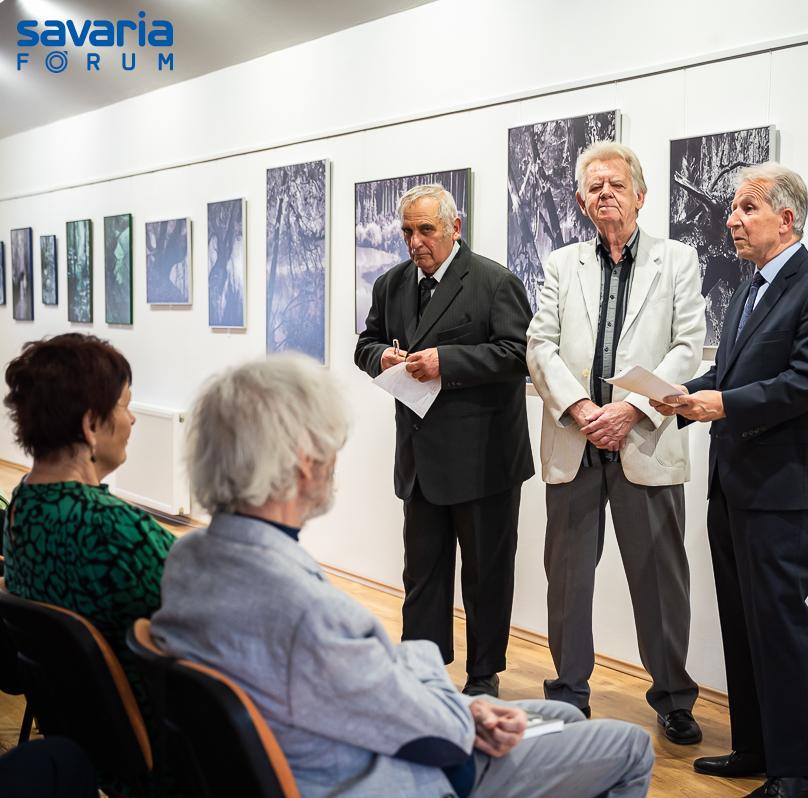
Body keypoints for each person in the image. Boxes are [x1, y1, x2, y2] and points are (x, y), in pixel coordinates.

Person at [151, 355, 655, 798]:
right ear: (304, 464)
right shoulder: (304, 609)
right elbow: (436, 734)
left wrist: (456, 707)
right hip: (390, 773)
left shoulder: (190, 558)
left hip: (319, 747)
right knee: (631, 746)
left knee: (561, 716)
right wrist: (453, 700)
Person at [653, 163, 808, 798]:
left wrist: (723, 405)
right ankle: (757, 748)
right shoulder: (748, 290)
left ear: (786, 218)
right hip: (736, 483)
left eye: (746, 209)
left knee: (780, 625)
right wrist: (683, 393)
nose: (732, 220)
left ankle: (800, 774)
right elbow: (732, 374)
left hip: (787, 488)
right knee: (741, 621)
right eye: (733, 209)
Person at [526, 141, 706, 741]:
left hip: (644, 440)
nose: (605, 194)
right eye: (594, 187)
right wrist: (581, 409)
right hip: (575, 441)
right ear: (582, 201)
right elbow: (540, 345)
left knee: (660, 581)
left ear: (641, 196)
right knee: (568, 581)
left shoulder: (676, 260)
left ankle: (673, 697)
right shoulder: (561, 264)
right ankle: (568, 694)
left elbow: (688, 347)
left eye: (616, 184)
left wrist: (631, 409)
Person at [354, 184, 534, 697]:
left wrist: (446, 362)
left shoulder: (494, 282)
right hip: (420, 460)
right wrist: (382, 358)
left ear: (455, 227)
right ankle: (422, 671)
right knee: (422, 575)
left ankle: (483, 676)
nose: (415, 242)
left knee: (486, 576)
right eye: (407, 231)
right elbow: (365, 344)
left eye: (426, 230)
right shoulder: (390, 284)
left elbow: (518, 355)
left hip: (483, 459)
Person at [2, 333, 177, 795]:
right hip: (162, 751)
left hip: (84, 742)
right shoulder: (116, 529)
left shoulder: (21, 508)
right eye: (125, 406)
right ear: (90, 424)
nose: (132, 419)